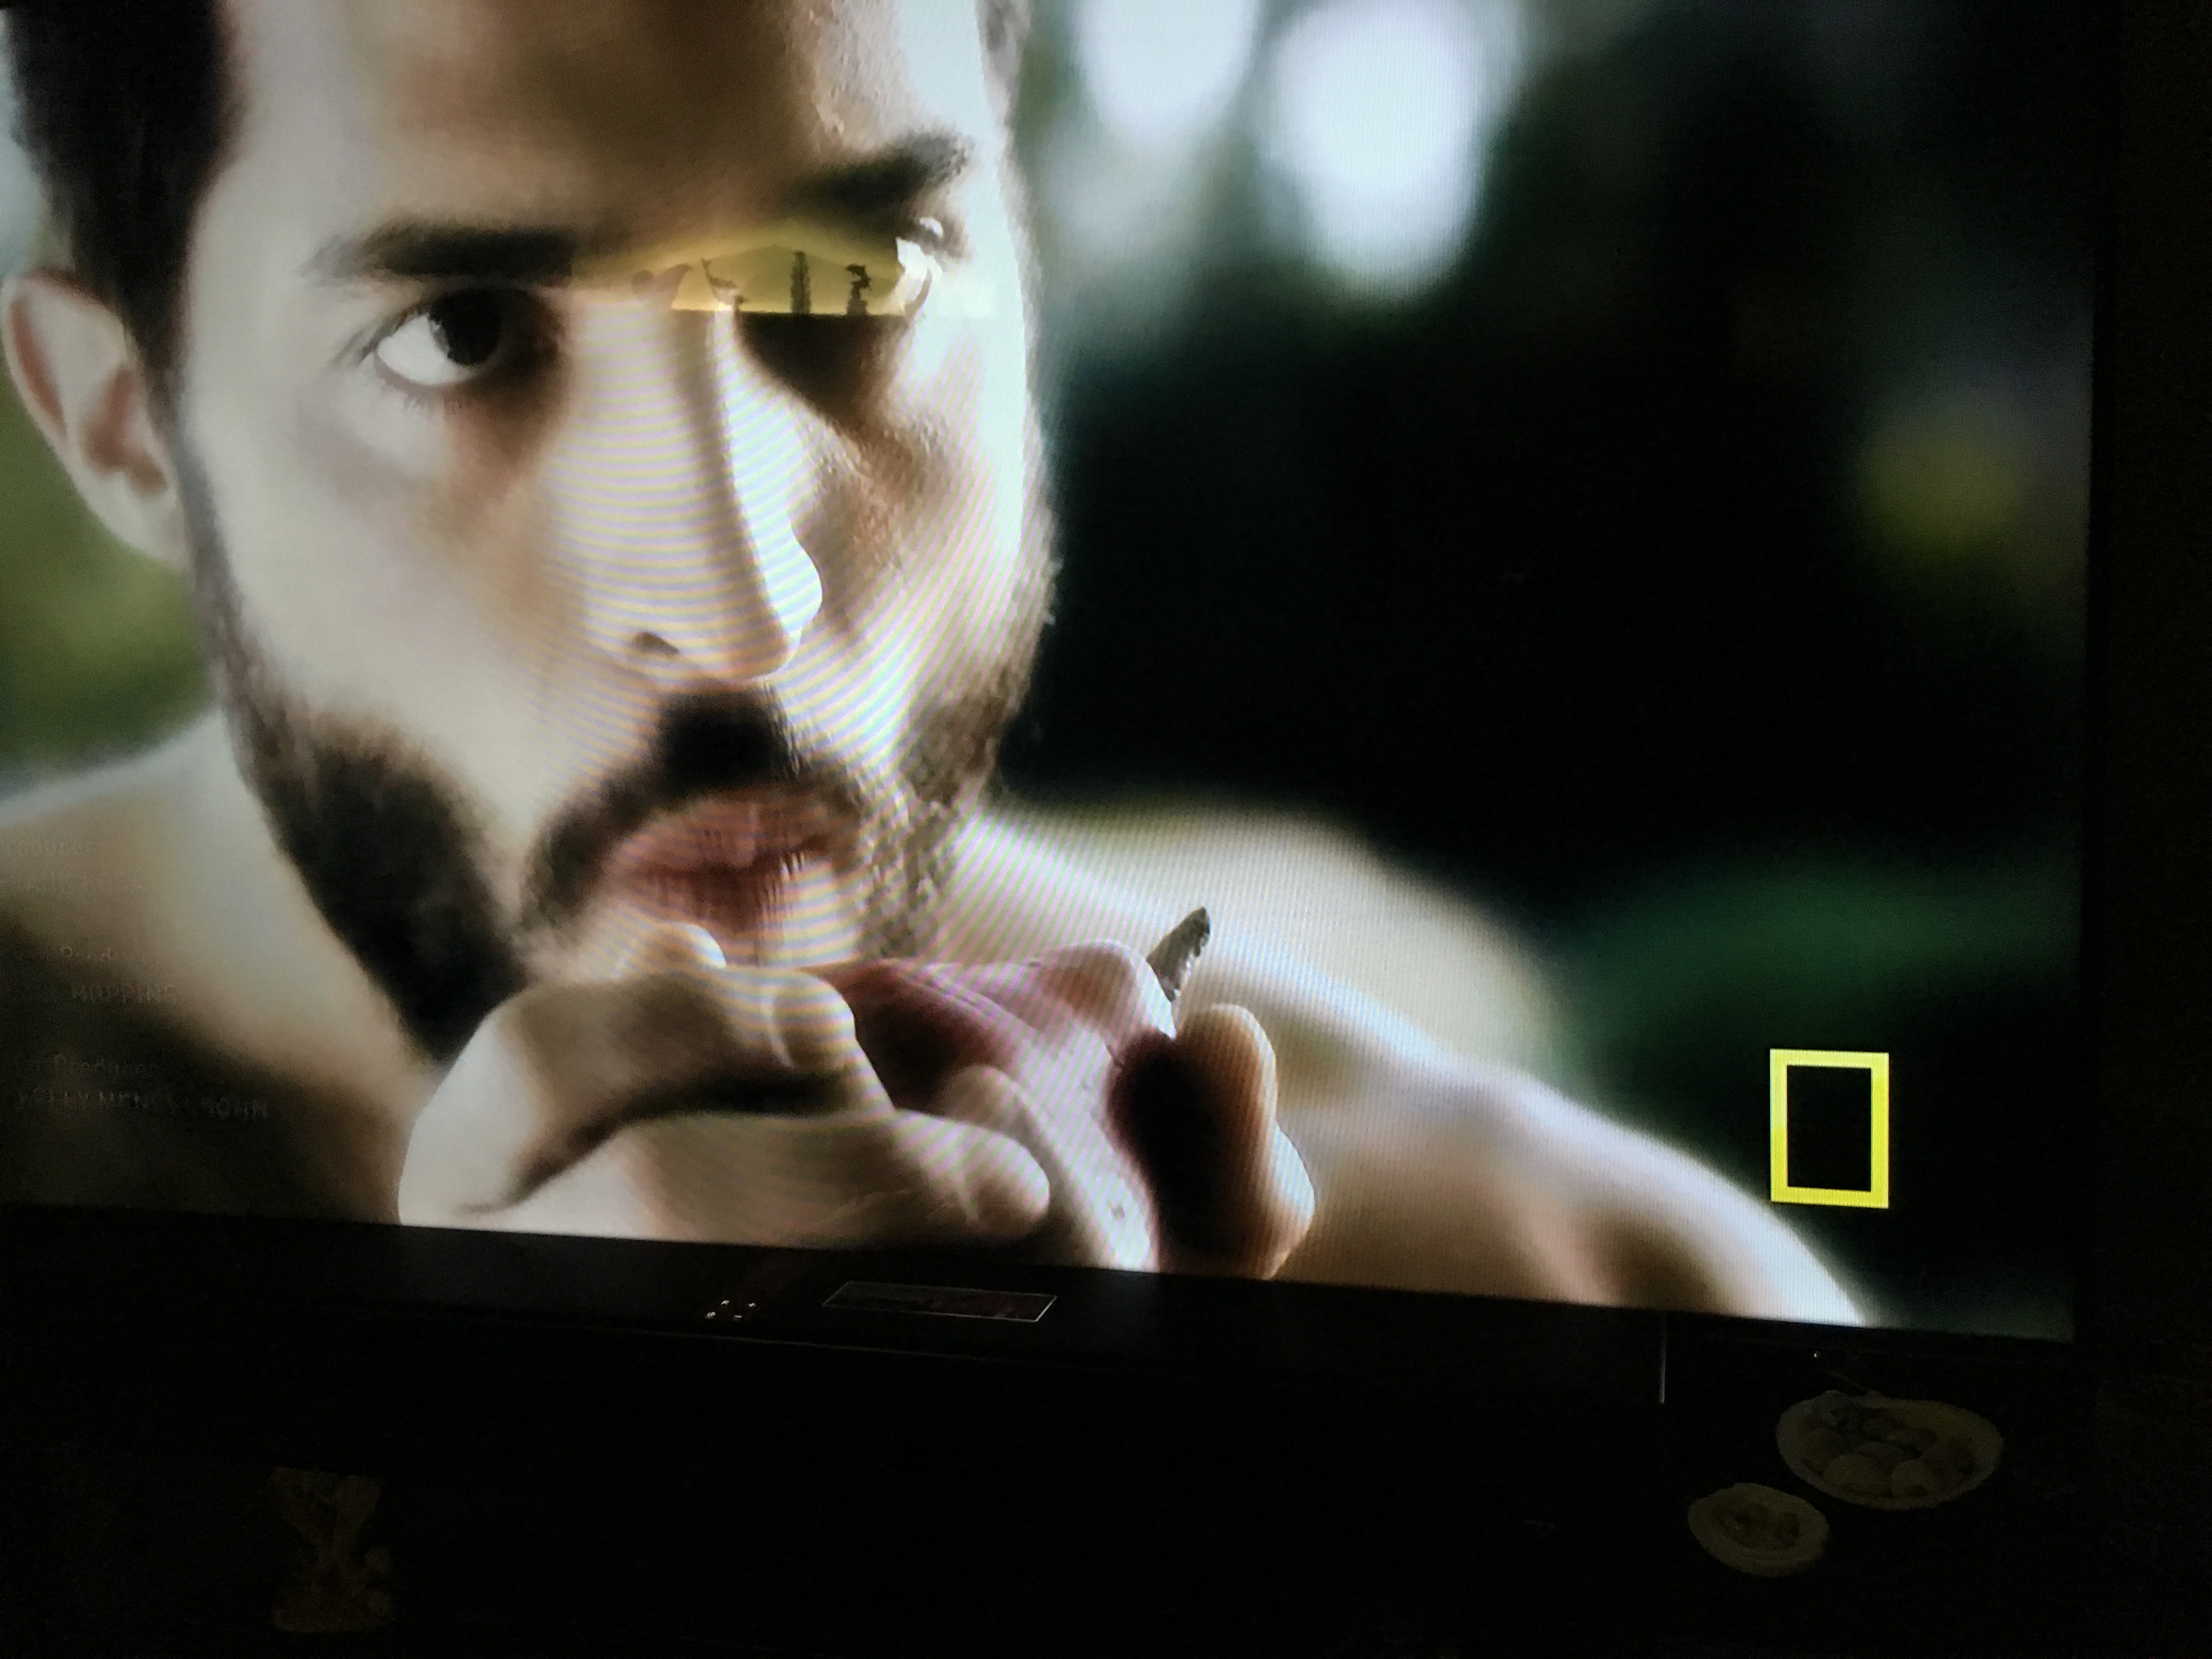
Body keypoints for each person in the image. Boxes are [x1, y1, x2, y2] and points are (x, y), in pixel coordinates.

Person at [0, 0, 1859, 1320]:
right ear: (124, 429)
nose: (743, 604)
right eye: (461, 332)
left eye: (860, 277)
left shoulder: (1593, 1309)